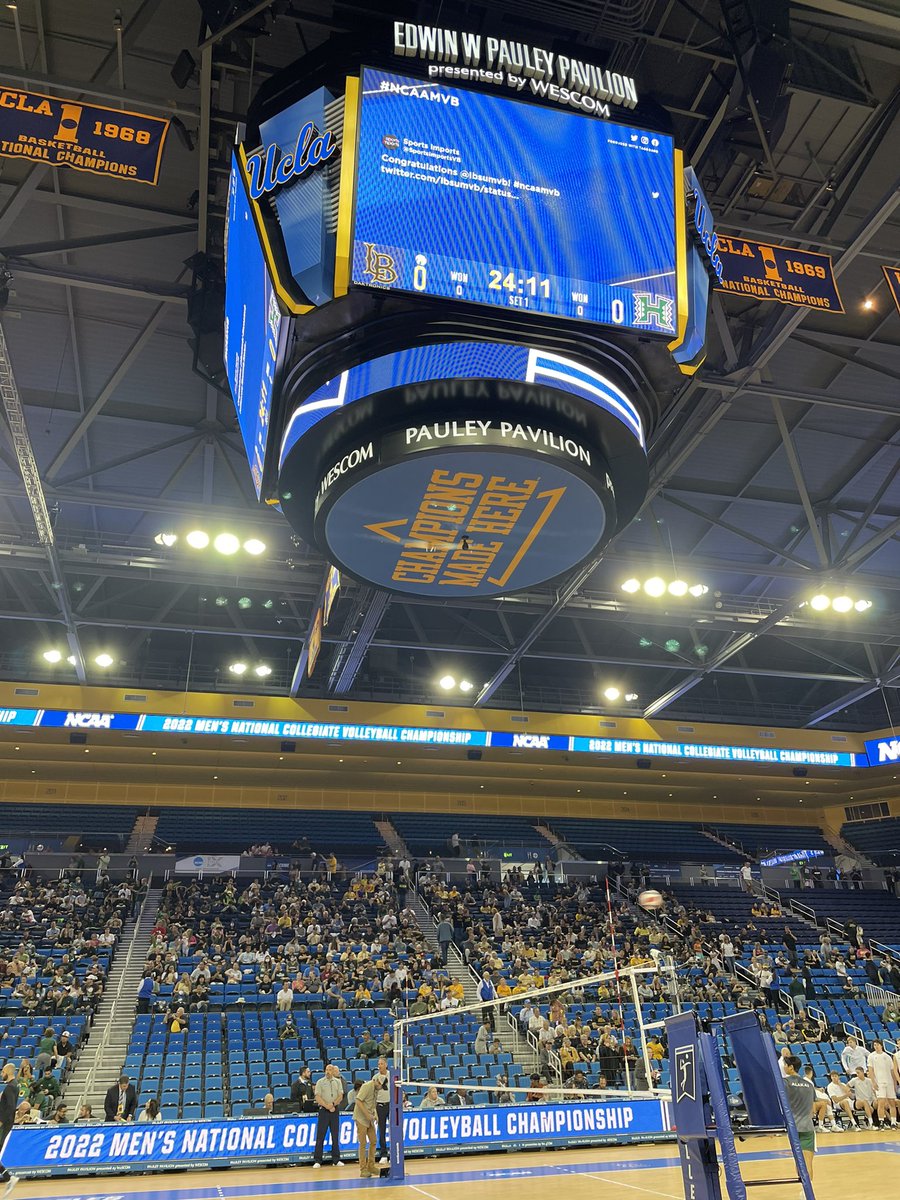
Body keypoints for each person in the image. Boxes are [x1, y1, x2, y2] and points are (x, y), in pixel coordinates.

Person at [782, 1056, 816, 1187]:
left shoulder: (784, 1083)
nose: (784, 1067)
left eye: (785, 1065)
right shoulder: (808, 1084)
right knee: (808, 1163)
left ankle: (804, 1190)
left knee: (799, 1162)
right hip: (807, 1127)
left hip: (793, 1128)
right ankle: (807, 1192)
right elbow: (812, 1108)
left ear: (791, 1067)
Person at [312, 1064, 344, 1168]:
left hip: (334, 1110)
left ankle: (336, 1159)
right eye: (326, 1070)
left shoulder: (338, 1082)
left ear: (333, 1071)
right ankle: (317, 1160)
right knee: (320, 1135)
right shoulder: (320, 1082)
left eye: (330, 1070)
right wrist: (327, 1106)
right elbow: (317, 1096)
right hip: (324, 1111)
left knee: (335, 1135)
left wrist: (333, 1104)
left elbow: (340, 1096)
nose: (328, 1072)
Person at [867, 1039, 899, 1127]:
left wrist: (895, 1083)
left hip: (889, 1082)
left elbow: (892, 1071)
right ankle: (881, 1121)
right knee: (881, 1102)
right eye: (874, 1045)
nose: (876, 1046)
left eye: (877, 1045)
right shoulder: (871, 1056)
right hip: (879, 1083)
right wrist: (873, 1082)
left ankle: (893, 1121)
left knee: (892, 1102)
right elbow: (871, 1070)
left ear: (881, 1045)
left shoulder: (887, 1056)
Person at [353, 1075, 379, 1178]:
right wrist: (367, 1115)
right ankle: (363, 1169)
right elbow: (358, 1101)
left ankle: (371, 1166)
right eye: (380, 1085)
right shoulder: (366, 1086)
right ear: (376, 1081)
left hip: (369, 1118)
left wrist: (375, 1114)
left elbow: (372, 1104)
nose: (381, 1087)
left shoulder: (376, 1089)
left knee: (373, 1141)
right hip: (361, 1118)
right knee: (363, 1143)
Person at [0, 1062, 17, 1181]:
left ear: (8, 1072)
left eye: (3, 1072)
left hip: (4, 1124)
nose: (1, 1074)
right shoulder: (13, 1085)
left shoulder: (10, 1087)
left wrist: (1, 1121)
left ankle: (8, 1177)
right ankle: (7, 1176)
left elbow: (10, 1107)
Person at [374, 1057, 390, 1166]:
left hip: (391, 1105)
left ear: (386, 1065)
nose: (379, 1066)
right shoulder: (375, 1078)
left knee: (395, 1130)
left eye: (381, 1063)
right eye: (378, 1064)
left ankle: (394, 1154)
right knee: (382, 1130)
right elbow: (373, 1095)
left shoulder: (392, 1075)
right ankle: (384, 1154)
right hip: (380, 1106)